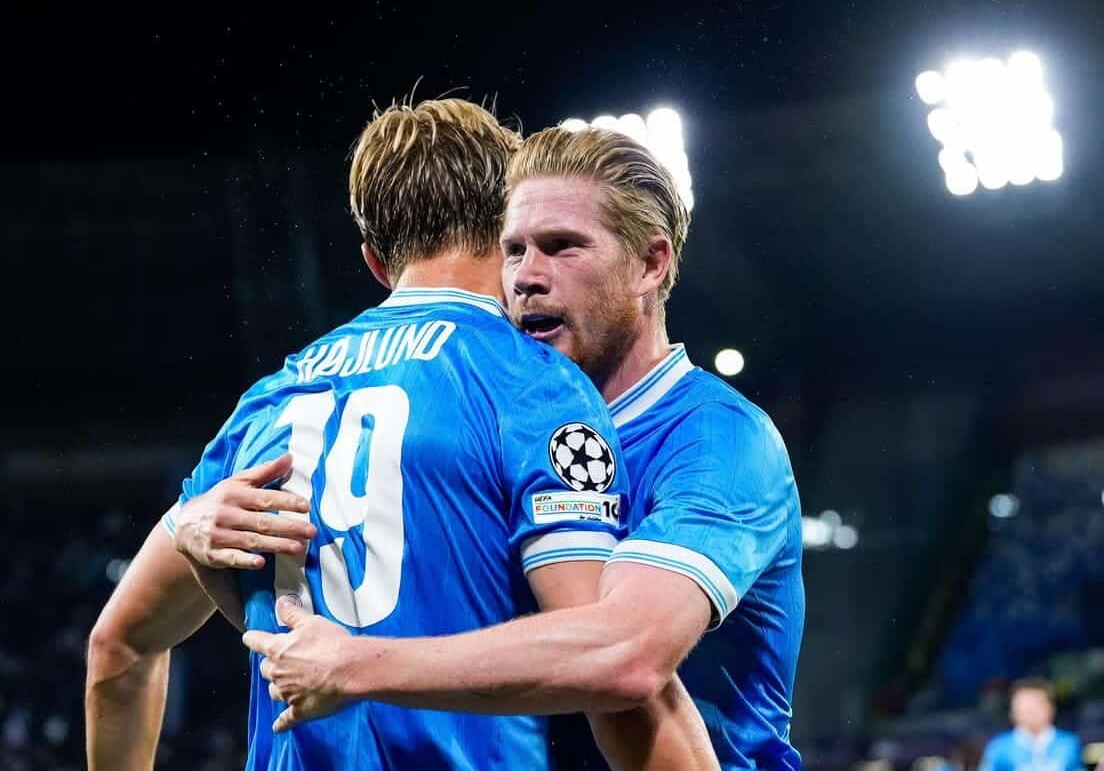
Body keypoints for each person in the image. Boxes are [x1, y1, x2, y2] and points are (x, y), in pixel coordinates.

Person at [86, 99, 717, 771]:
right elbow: (612, 675)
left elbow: (117, 648)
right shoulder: (532, 382)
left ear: (375, 261)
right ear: (507, 223)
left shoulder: (267, 405)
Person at [245, 126, 805, 771]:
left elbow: (628, 656)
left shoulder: (717, 440)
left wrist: (356, 666)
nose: (526, 278)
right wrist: (205, 529)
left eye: (563, 247)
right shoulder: (497, 425)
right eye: (513, 250)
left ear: (650, 265)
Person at [979, 678, 1081, 771]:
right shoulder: (1000, 746)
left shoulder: (1068, 743)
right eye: (1024, 706)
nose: (1030, 712)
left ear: (1051, 708)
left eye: (1036, 705)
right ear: (1012, 712)